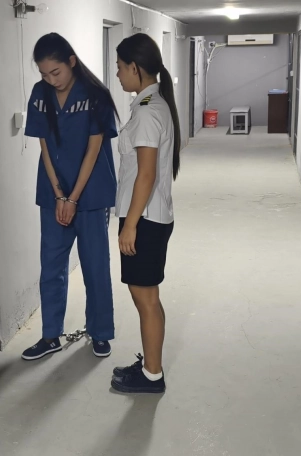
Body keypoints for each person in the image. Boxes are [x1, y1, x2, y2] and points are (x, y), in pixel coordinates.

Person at [21, 33, 120, 361]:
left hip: (90, 195)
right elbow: (45, 147)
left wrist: (74, 198)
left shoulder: (95, 95)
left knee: (95, 265)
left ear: (72, 62)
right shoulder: (40, 94)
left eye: (56, 72)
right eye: (44, 74)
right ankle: (50, 335)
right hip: (54, 195)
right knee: (51, 266)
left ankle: (100, 332)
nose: (51, 80)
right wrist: (59, 195)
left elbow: (94, 149)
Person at [110, 33, 181, 394]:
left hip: (144, 219)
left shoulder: (148, 110)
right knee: (149, 297)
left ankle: (152, 375)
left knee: (146, 299)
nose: (118, 74)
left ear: (135, 68)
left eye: (120, 67)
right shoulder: (152, 103)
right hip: (151, 215)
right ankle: (152, 367)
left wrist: (130, 226)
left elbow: (146, 174)